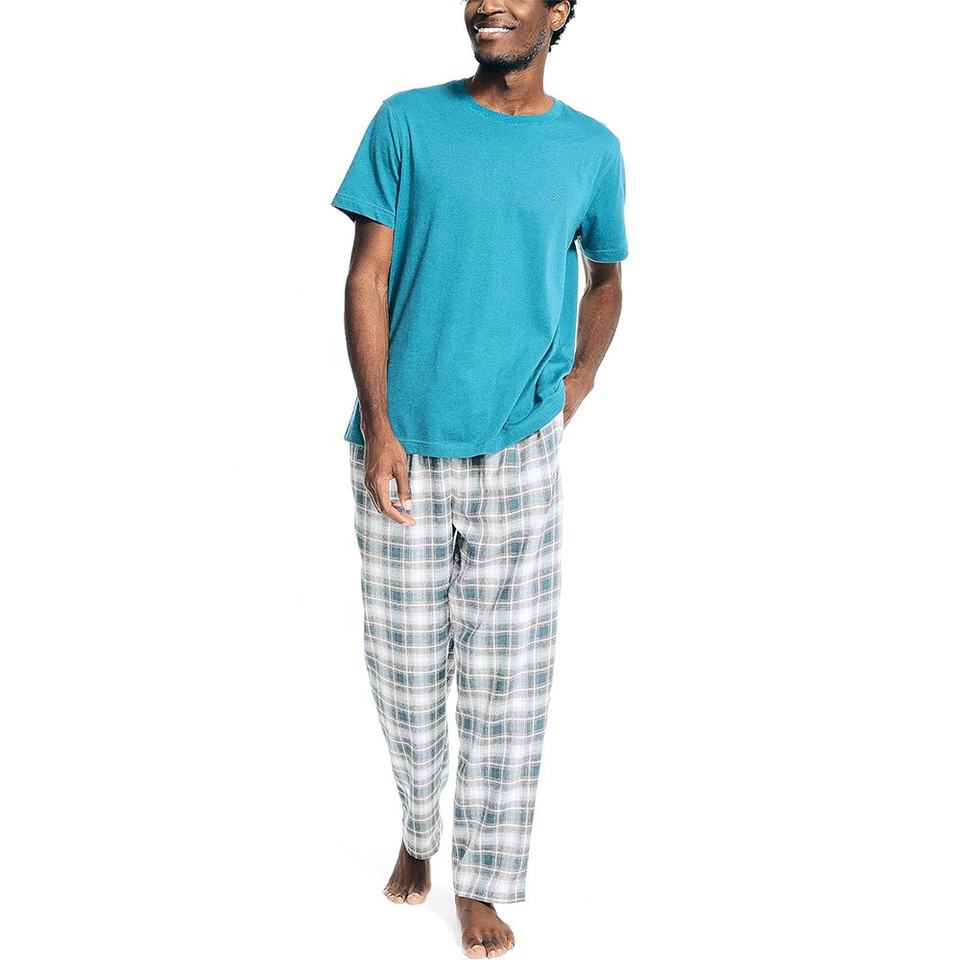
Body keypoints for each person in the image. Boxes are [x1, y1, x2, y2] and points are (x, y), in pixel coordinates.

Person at [331, 2, 627, 956]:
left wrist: (579, 380)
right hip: (402, 448)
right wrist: (380, 426)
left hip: (520, 453)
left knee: (510, 687)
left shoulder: (592, 148)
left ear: (561, 10)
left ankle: (483, 881)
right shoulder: (405, 121)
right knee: (406, 677)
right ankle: (420, 826)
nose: (488, 2)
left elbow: (608, 277)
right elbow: (366, 276)